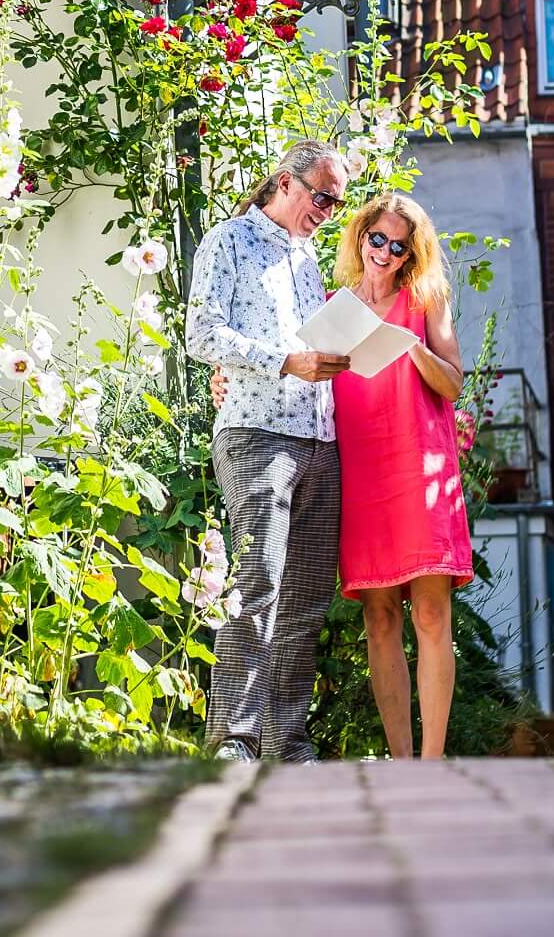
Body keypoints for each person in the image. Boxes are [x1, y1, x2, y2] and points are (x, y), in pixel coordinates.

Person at [183, 138, 353, 763]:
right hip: (256, 435)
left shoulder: (313, 262)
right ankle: (235, 742)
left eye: (337, 203)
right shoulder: (227, 242)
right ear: (286, 182)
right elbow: (202, 335)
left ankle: (287, 742)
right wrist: (285, 361)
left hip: (320, 441)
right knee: (258, 586)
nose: (329, 211)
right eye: (322, 197)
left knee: (306, 600)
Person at [329, 193, 471, 759]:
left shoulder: (425, 300)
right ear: (361, 236)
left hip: (420, 467)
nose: (385, 251)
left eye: (399, 245)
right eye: (377, 238)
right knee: (381, 617)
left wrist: (414, 350)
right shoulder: (331, 307)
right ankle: (401, 762)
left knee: (432, 612)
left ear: (412, 254)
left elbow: (454, 383)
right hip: (362, 472)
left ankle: (432, 765)